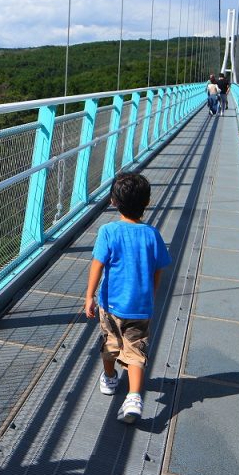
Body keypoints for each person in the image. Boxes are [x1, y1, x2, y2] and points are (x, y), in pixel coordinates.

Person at [84, 172, 172, 424]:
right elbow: (158, 270)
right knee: (135, 350)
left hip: (111, 305)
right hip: (141, 307)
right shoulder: (152, 234)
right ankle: (134, 397)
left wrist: (89, 296)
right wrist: (150, 296)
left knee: (111, 342)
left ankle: (110, 378)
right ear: (146, 203)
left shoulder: (108, 231)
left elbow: (97, 265)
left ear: (113, 201)